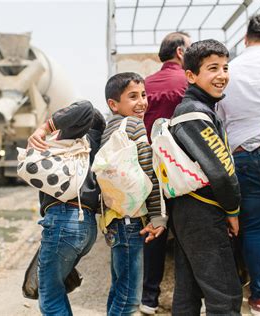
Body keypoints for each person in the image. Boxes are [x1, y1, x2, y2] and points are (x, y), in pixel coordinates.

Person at [169, 39, 242, 315]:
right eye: (213, 68)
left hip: (189, 211)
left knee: (188, 294)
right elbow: (222, 172)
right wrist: (233, 210)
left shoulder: (197, 109)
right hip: (203, 212)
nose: (222, 75)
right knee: (226, 297)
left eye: (225, 67)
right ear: (191, 75)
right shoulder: (194, 113)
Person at [216, 12, 260, 314]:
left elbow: (222, 119)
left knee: (254, 228)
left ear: (245, 37)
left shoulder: (231, 69)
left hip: (241, 154)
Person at [25, 100, 106, 316]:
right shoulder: (94, 148)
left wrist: (45, 128)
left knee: (50, 299)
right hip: (85, 227)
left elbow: (86, 107)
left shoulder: (73, 140)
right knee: (57, 292)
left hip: (63, 222)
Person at [101, 72, 168, 315]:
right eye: (133, 97)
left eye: (143, 95)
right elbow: (150, 171)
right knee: (129, 300)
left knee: (118, 289)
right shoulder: (133, 124)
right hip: (131, 222)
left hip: (115, 220)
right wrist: (158, 216)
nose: (142, 102)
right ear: (113, 104)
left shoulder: (109, 128)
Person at [140, 31, 191, 315]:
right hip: (183, 170)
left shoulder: (144, 85)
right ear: (181, 52)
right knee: (185, 233)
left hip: (151, 169)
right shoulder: (188, 82)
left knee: (154, 232)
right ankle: (186, 300)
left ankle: (149, 298)